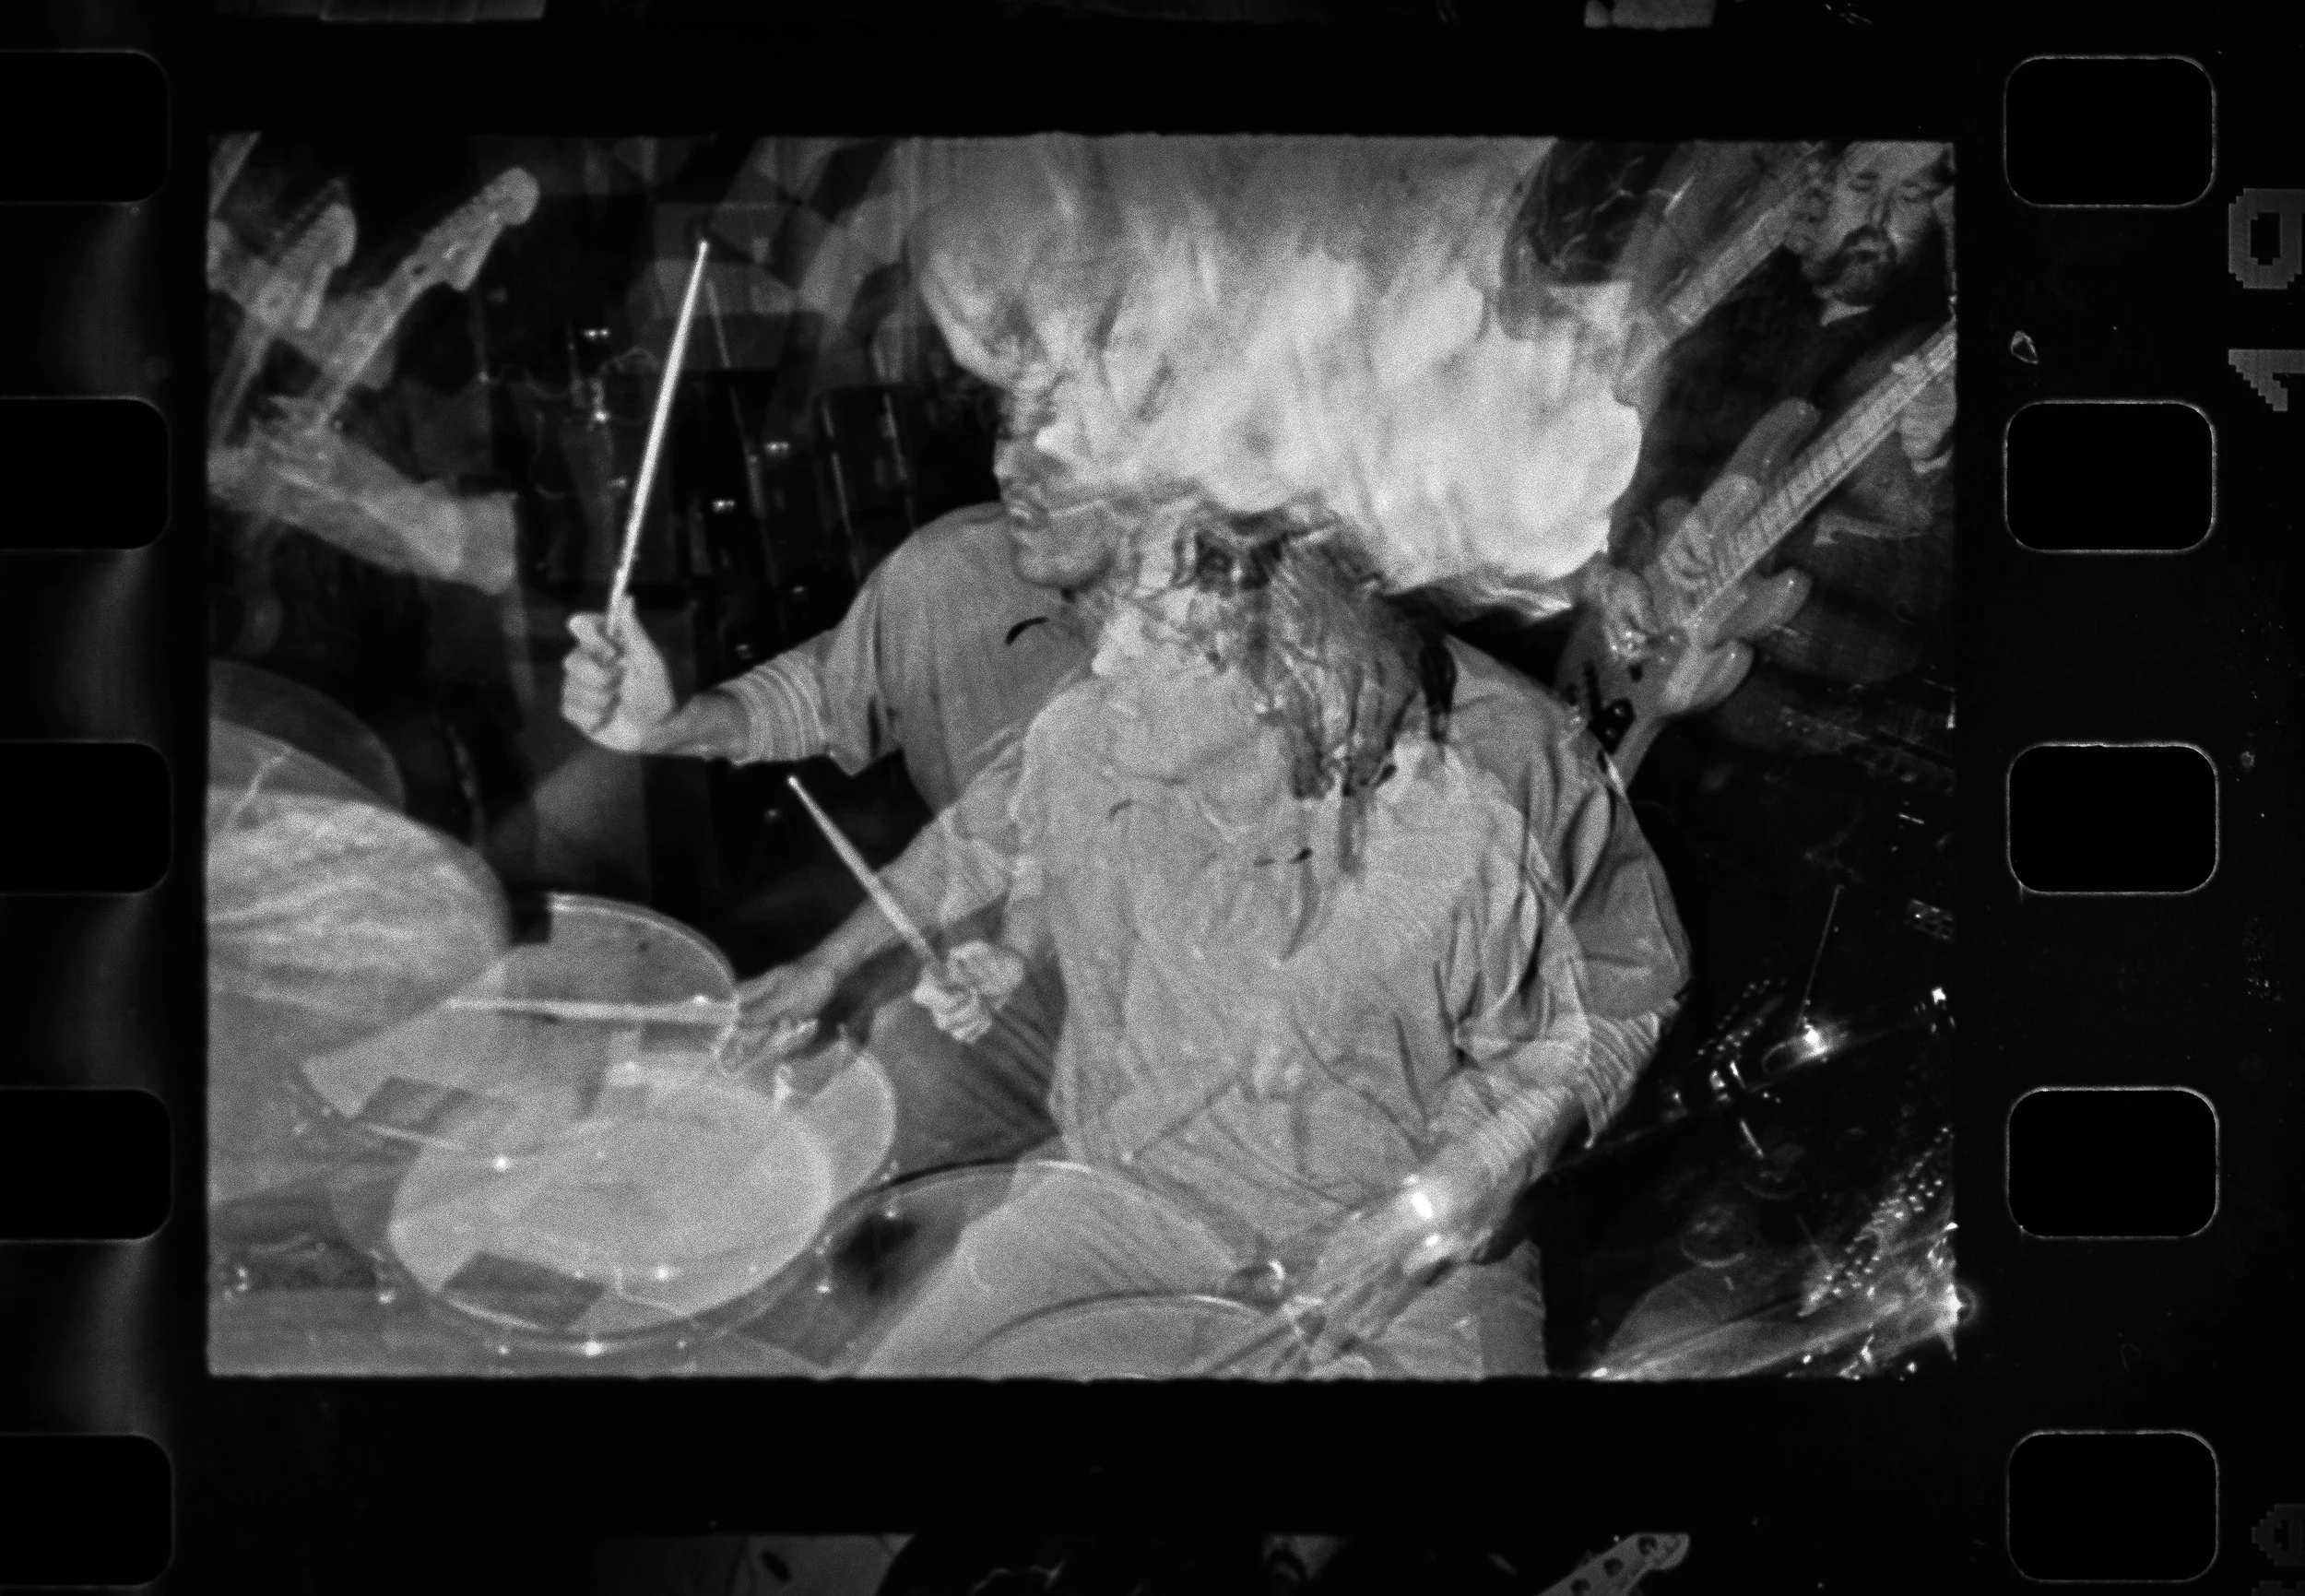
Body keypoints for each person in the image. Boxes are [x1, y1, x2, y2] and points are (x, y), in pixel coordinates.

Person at [845, 504, 1689, 1377]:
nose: (1102, 659)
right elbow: (1007, 842)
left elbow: (1622, 1005)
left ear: (1276, 667)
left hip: (1401, 1263)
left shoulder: (1508, 763)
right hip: (1134, 1193)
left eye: (1154, 634)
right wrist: (1000, 954)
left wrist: (1462, 1187)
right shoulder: (1099, 722)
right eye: (1107, 618)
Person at [558, 497, 1092, 1173]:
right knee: (867, 1075)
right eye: (1019, 411)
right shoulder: (963, 559)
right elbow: (983, 826)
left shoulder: (1210, 611)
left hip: (1199, 1036)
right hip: (1047, 952)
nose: (1035, 446)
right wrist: (678, 723)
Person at [1572, 139, 1956, 1027]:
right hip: (1633, 677)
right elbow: (1634, 472)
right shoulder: (1740, 317)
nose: (1879, 221)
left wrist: (1936, 464)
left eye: (1912, 199)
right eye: (1864, 184)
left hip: (1771, 763)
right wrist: (1623, 561)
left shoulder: (1920, 371)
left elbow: (1925, 605)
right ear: (1820, 189)